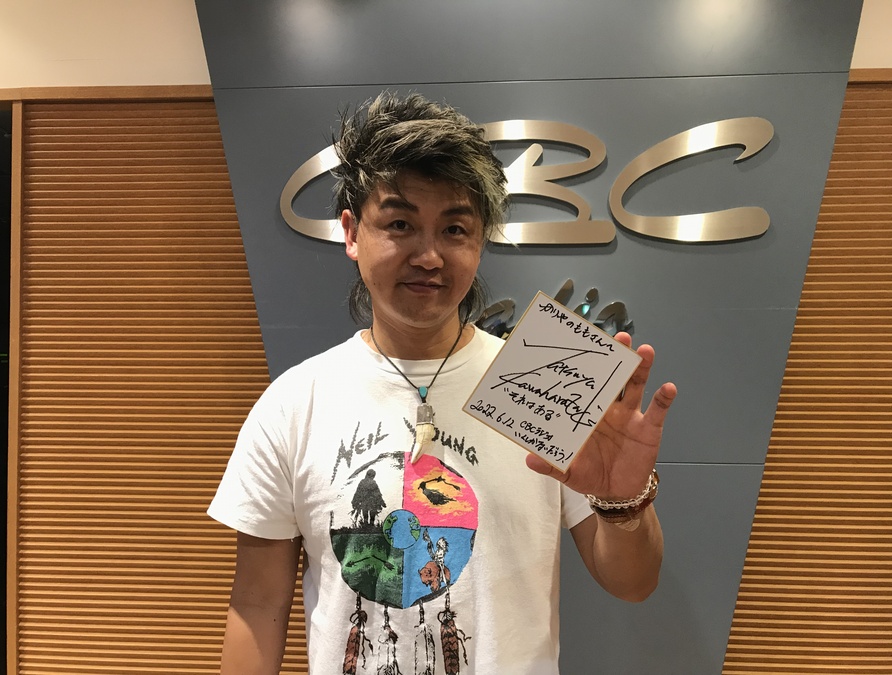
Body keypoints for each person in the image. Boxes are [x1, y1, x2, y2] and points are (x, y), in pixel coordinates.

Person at [208, 92, 677, 675]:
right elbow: (258, 603)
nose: (429, 256)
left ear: (480, 242)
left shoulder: (545, 377)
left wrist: (622, 504)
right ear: (352, 232)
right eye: (400, 224)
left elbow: (633, 584)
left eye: (455, 228)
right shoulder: (294, 402)